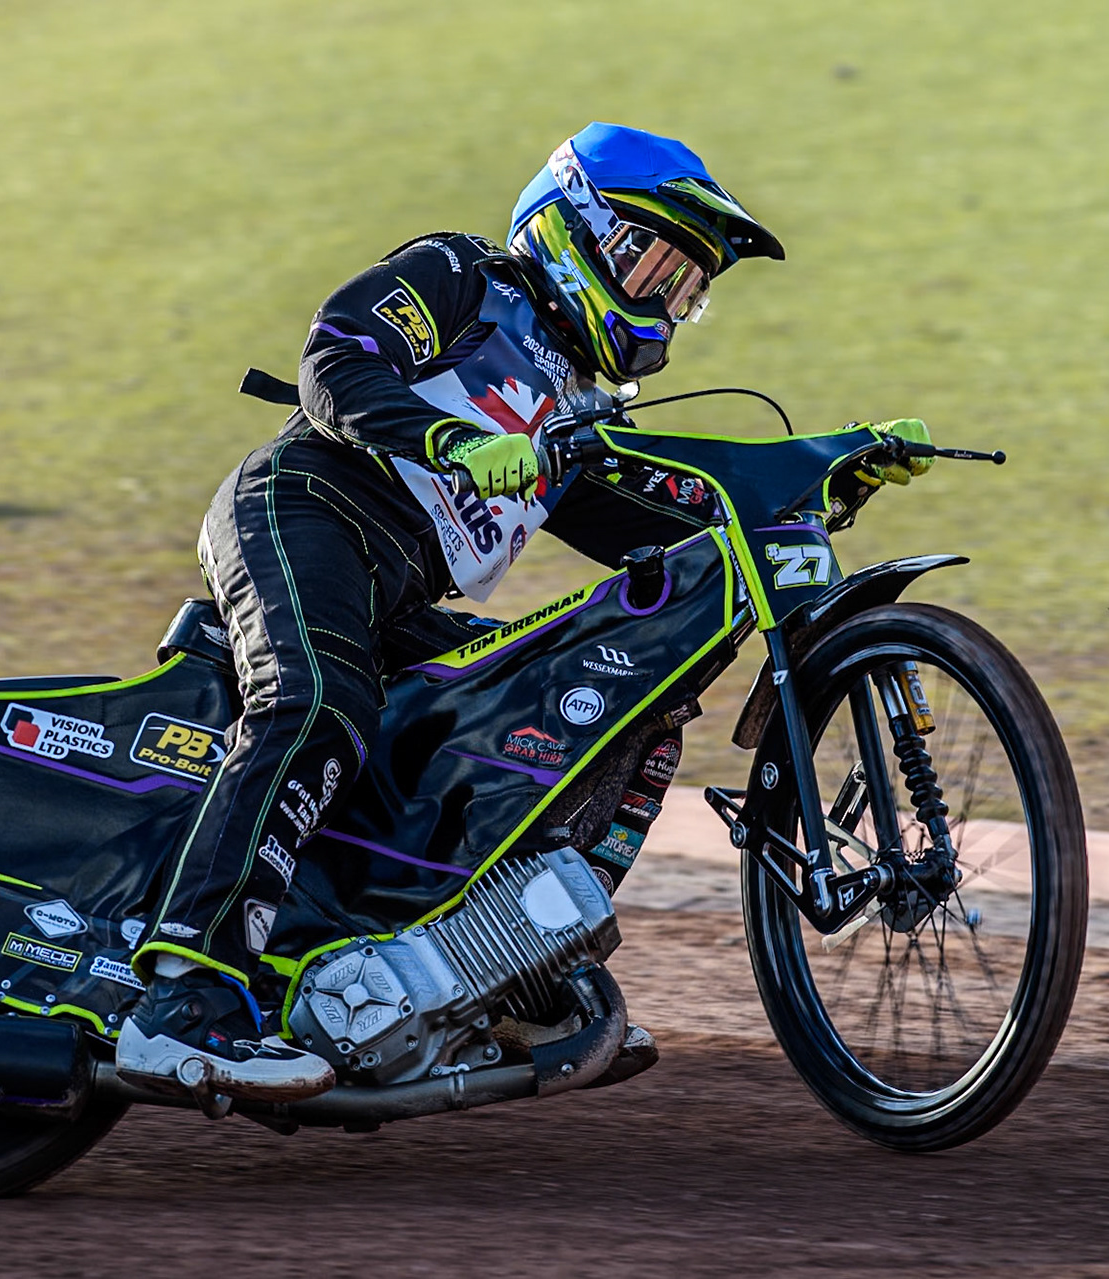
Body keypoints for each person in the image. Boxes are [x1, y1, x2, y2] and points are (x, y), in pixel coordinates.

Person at [116, 123, 788, 1102]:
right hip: (303, 509)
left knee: (592, 698)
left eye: (685, 287)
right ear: (578, 228)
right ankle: (184, 1000)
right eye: (652, 263)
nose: (664, 301)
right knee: (317, 705)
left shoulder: (567, 403)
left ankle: (498, 967)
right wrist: (453, 440)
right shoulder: (464, 274)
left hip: (394, 594)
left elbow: (650, 530)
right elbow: (336, 362)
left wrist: (813, 488)